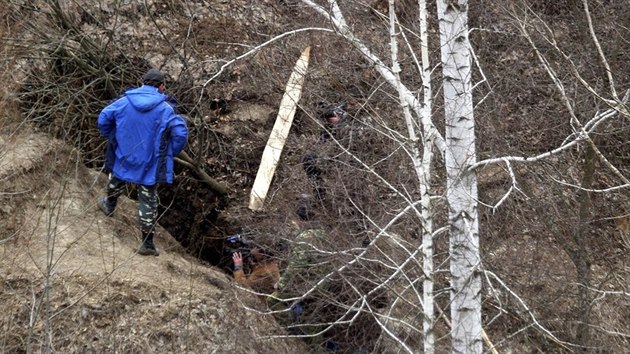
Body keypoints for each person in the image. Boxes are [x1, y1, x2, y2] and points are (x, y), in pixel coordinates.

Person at [96, 68, 188, 256]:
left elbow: (103, 118)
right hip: (151, 162)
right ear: (161, 87)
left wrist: (114, 137)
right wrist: (170, 151)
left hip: (125, 153)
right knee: (148, 199)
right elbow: (181, 133)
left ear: (142, 83)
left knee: (117, 176)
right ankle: (147, 244)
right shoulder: (166, 109)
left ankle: (109, 205)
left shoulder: (123, 102)